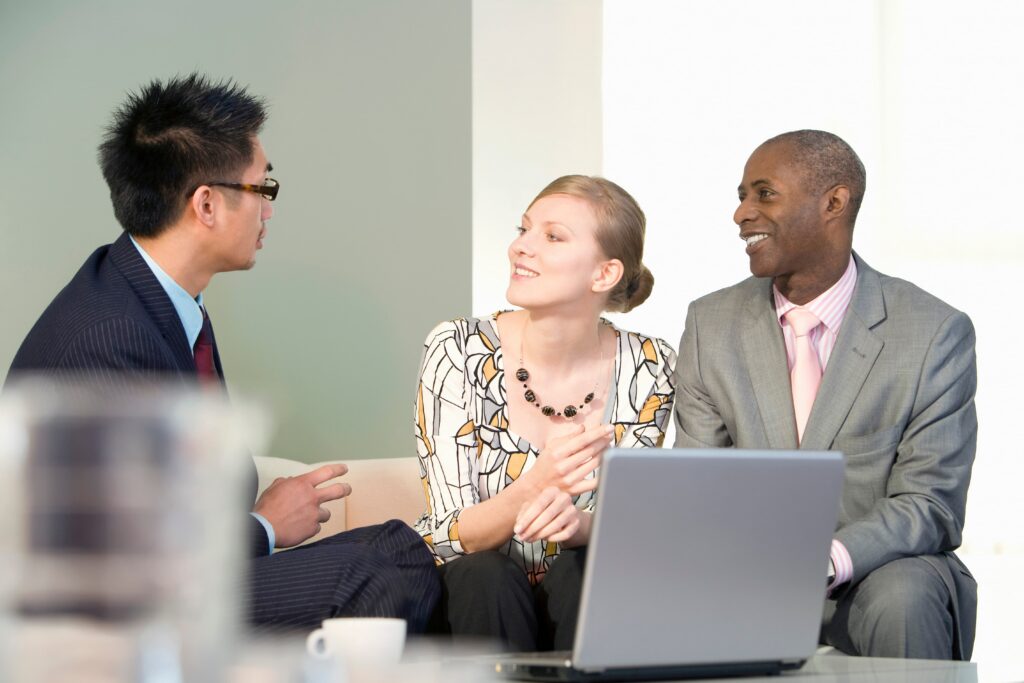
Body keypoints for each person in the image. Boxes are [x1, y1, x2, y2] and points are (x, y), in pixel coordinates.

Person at [6, 74, 439, 631]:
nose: (269, 211)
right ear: (206, 204)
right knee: (380, 569)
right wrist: (263, 528)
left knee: (396, 546)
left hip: (172, 588)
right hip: (115, 619)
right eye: (264, 189)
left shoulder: (147, 296)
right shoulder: (110, 335)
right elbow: (133, 560)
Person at [673, 130, 977, 660]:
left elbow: (930, 503)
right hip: (748, 571)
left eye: (763, 194)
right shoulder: (710, 323)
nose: (742, 213)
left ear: (834, 202)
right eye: (741, 195)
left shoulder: (933, 331)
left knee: (905, 595)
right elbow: (699, 484)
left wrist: (829, 557)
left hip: (877, 571)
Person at [414, 175, 676, 651]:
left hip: (578, 594)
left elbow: (634, 525)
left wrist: (580, 528)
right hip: (474, 593)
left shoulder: (651, 366)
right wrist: (539, 482)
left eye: (552, 237)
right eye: (524, 229)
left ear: (604, 274)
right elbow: (447, 534)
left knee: (589, 567)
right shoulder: (457, 347)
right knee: (483, 574)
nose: (520, 247)